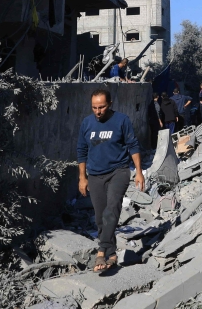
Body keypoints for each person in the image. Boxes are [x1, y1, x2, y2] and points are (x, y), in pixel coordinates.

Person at [77, 88, 144, 272]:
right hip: (95, 174)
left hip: (118, 171)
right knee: (100, 218)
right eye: (94, 107)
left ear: (110, 104)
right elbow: (81, 151)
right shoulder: (87, 123)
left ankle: (101, 251)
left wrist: (139, 172)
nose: (98, 111)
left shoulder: (122, 120)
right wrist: (82, 177)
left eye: (102, 107)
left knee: (112, 209)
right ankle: (112, 254)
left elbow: (133, 145)